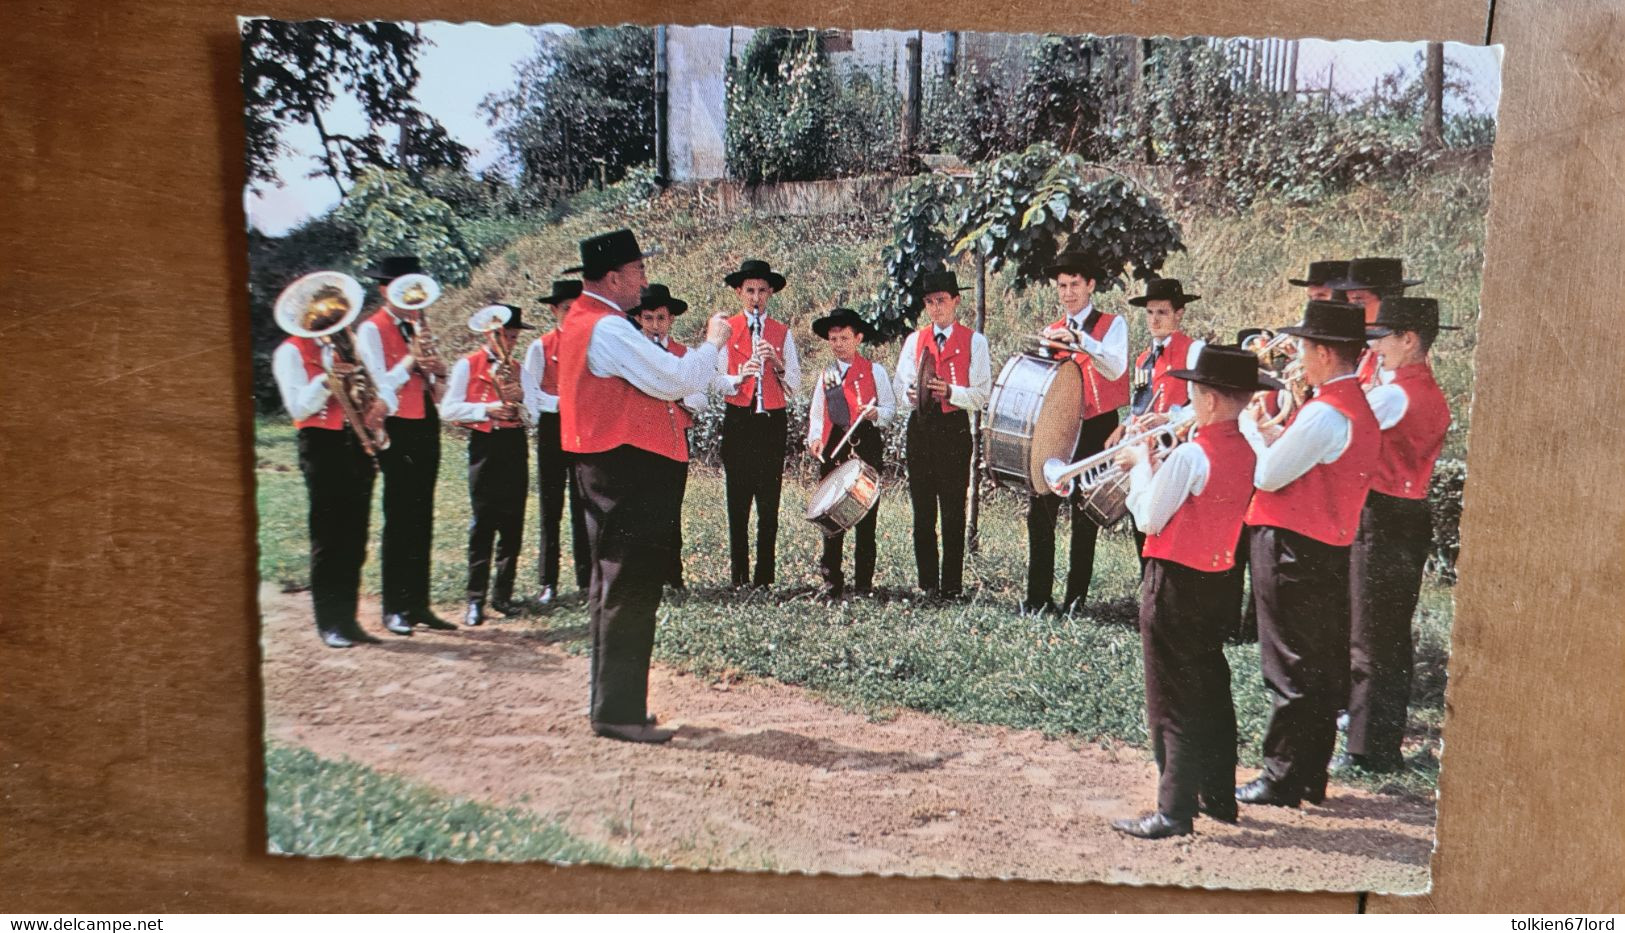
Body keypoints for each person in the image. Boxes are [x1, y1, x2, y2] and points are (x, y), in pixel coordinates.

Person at [557, 229, 733, 744]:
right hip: (623, 469)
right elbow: (676, 380)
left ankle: (615, 703)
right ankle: (618, 711)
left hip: (605, 465)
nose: (644, 280)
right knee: (629, 587)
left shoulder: (589, 323)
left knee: (613, 585)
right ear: (613, 277)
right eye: (637, 270)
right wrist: (715, 343)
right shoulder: (609, 330)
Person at [1109, 346, 1277, 839]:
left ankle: (1174, 809)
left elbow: (1148, 517)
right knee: (1208, 687)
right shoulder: (1246, 450)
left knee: (1171, 697)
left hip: (1175, 582)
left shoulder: (1192, 453)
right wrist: (1159, 465)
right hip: (1219, 578)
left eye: (1193, 393)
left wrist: (1141, 462)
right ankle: (1218, 795)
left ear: (1206, 401)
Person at [1235, 300, 1380, 808]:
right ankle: (1307, 776)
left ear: (1322, 352)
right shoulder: (1351, 407)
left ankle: (1280, 775)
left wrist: (1250, 430)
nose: (1295, 356)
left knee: (1288, 666)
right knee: (1317, 666)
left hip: (1290, 546)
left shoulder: (1324, 410)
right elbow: (1310, 458)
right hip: (1325, 547)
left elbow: (1269, 474)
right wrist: (1274, 433)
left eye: (1301, 347)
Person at [1339, 297, 1458, 773]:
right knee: (1389, 636)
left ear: (1409, 340)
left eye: (1384, 338)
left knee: (1368, 637)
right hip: (1411, 512)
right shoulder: (1431, 393)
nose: (1378, 348)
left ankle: (1368, 751)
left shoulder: (1393, 394)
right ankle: (1379, 741)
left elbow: (1344, 434)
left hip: (1380, 514)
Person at [271, 272, 394, 647]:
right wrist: (327, 381)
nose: (329, 325)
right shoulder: (291, 351)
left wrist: (377, 407)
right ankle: (330, 623)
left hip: (355, 443)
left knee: (355, 536)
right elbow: (297, 406)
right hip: (321, 444)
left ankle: (350, 619)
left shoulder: (346, 346)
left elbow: (371, 386)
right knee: (329, 536)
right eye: (320, 319)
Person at [354, 256, 456, 635]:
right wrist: (412, 360)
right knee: (399, 517)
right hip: (395, 425)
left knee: (422, 514)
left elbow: (436, 390)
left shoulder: (418, 328)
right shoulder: (371, 330)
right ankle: (394, 607)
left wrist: (435, 371)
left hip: (425, 422)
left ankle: (419, 604)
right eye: (401, 287)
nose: (413, 298)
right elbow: (379, 385)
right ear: (384, 290)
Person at [1026, 249, 1128, 616]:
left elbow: (1116, 368)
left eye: (1074, 286)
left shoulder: (1113, 325)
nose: (1067, 293)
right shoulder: (1052, 328)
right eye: (1062, 286)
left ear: (1091, 286)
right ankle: (1037, 597)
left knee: (1084, 512)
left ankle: (1075, 600)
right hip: (1058, 423)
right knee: (1041, 504)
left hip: (1098, 424)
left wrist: (1081, 341)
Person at [891, 270, 992, 600]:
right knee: (922, 511)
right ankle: (927, 585)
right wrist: (910, 394)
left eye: (942, 301)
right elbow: (898, 387)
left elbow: (982, 395)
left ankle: (952, 585)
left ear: (956, 301)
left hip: (953, 429)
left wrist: (951, 391)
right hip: (920, 428)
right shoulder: (914, 340)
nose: (936, 308)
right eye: (930, 302)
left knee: (952, 509)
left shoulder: (974, 341)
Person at [442, 304, 535, 627]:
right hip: (485, 445)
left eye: (511, 337)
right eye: (501, 336)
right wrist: (489, 409)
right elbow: (449, 409)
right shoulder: (467, 365)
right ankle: (475, 599)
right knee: (483, 521)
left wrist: (522, 400)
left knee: (513, 522)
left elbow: (535, 415)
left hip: (514, 445)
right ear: (488, 333)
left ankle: (503, 596)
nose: (507, 343)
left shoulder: (521, 369)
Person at [714, 259, 801, 589]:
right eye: (749, 290)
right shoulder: (728, 329)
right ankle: (739, 576)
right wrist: (741, 376)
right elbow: (714, 379)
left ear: (770, 294)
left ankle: (765, 577)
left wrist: (776, 364)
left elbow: (794, 384)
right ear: (739, 292)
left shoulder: (781, 332)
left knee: (769, 500)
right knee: (737, 499)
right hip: (739, 419)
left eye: (762, 291)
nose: (756, 297)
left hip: (771, 422)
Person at [807, 308, 897, 599]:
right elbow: (817, 416)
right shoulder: (827, 375)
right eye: (833, 339)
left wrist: (874, 413)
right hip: (835, 449)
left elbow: (890, 411)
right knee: (832, 520)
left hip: (866, 447)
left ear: (858, 338)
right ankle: (831, 582)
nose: (838, 344)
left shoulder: (876, 371)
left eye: (844, 338)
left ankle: (863, 585)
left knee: (865, 517)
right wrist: (815, 439)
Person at [630, 283, 711, 590]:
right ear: (639, 319)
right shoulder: (632, 350)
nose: (654, 325)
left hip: (674, 441)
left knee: (669, 509)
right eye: (648, 318)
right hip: (637, 442)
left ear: (671, 319)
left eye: (660, 318)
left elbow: (701, 396)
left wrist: (683, 399)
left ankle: (672, 575)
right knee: (639, 509)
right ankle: (644, 575)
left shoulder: (685, 354)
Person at [521, 279, 591, 607]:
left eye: (577, 309)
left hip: (583, 428)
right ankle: (547, 581)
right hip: (553, 428)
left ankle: (586, 578)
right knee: (551, 508)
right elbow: (530, 394)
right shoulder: (541, 346)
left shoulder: (590, 344)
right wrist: (558, 404)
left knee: (584, 505)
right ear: (554, 310)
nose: (571, 314)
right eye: (566, 309)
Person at [1327, 257, 1423, 387]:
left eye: (1359, 301)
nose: (1350, 309)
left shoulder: (1400, 354)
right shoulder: (1367, 348)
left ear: (1387, 302)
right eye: (1349, 301)